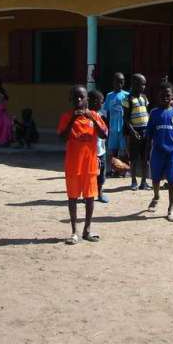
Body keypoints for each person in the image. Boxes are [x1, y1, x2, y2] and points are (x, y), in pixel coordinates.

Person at [57, 86, 108, 244]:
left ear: (87, 99)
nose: (78, 100)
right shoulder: (66, 117)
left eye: (81, 97)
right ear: (70, 100)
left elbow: (104, 134)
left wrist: (92, 118)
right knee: (72, 198)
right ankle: (74, 231)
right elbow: (62, 137)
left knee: (90, 198)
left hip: (90, 166)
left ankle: (87, 229)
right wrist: (73, 119)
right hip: (73, 165)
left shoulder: (94, 115)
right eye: (75, 97)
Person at [146, 82, 173, 222]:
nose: (165, 97)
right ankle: (156, 196)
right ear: (158, 96)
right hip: (157, 151)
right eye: (162, 95)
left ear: (172, 97)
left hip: (172, 152)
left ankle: (171, 207)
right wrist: (146, 153)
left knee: (171, 180)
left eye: (168, 95)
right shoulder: (154, 113)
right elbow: (149, 135)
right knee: (155, 179)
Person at [123, 73, 150, 191]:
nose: (143, 87)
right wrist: (133, 131)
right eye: (141, 84)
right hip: (135, 131)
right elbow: (126, 118)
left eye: (144, 84)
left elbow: (146, 113)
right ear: (134, 84)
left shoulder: (144, 98)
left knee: (146, 158)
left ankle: (144, 181)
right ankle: (134, 181)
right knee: (134, 158)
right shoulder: (128, 99)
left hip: (145, 130)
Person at [102, 72, 129, 174]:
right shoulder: (109, 96)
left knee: (124, 149)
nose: (119, 84)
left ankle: (124, 169)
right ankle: (114, 169)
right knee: (113, 150)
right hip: (113, 127)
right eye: (117, 82)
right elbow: (107, 112)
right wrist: (107, 126)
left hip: (123, 127)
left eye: (121, 82)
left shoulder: (126, 95)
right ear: (113, 82)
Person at [88, 90, 109, 203]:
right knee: (90, 175)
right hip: (90, 153)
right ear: (95, 102)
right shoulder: (85, 116)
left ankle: (100, 192)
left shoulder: (101, 115)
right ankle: (87, 194)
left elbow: (105, 131)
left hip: (101, 151)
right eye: (101, 101)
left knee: (101, 175)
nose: (102, 104)